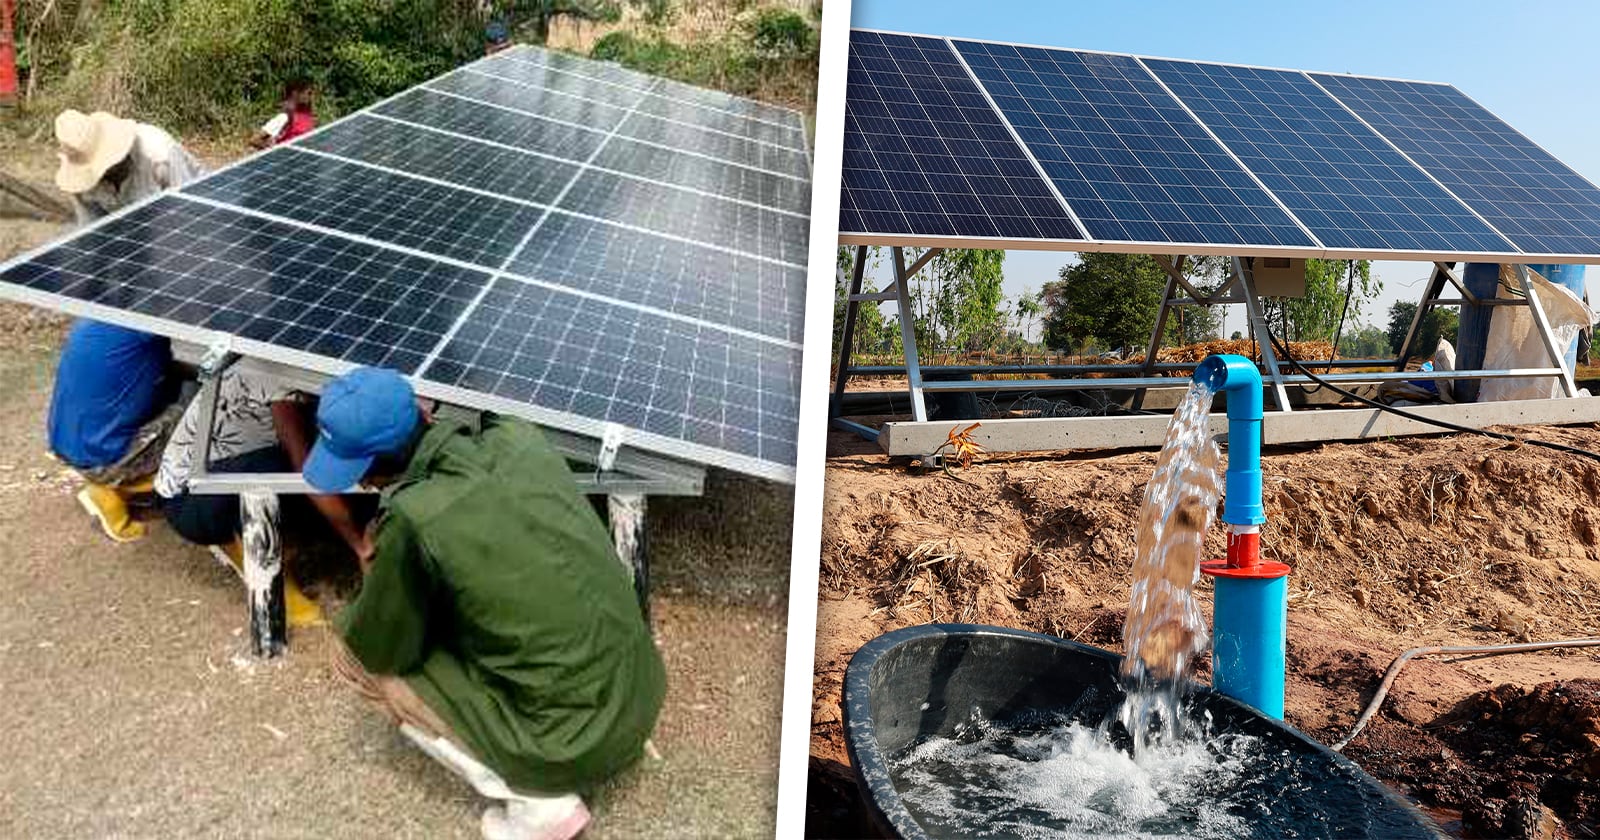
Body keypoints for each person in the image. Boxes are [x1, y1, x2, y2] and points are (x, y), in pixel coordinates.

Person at [308, 367, 664, 840]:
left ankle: (541, 806)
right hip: (640, 697)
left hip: (575, 743)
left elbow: (380, 647)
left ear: (371, 470)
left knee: (354, 656)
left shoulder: (414, 518)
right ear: (422, 409)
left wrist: (377, 565)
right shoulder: (518, 437)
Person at [48, 109, 206, 539]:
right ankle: (143, 479)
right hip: (138, 274)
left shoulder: (158, 153)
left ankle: (116, 461)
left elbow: (194, 225)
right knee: (206, 397)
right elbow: (97, 242)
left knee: (146, 371)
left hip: (186, 241)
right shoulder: (84, 184)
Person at [154, 366, 372, 627]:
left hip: (221, 473)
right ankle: (270, 593)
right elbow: (308, 472)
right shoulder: (276, 373)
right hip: (187, 499)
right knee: (271, 472)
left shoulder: (302, 361)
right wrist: (358, 544)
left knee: (310, 464)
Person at [47, 321, 183, 542]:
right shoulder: (151, 328)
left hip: (67, 441)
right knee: (198, 408)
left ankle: (113, 482)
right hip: (105, 460)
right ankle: (115, 490)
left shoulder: (98, 314)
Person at [54, 109, 204, 224]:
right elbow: (92, 231)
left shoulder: (158, 154)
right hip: (137, 233)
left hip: (189, 216)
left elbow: (189, 211)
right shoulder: (81, 187)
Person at [251, 77, 316, 149]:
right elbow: (255, 139)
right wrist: (274, 150)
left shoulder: (307, 115)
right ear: (295, 93)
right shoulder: (284, 117)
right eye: (309, 93)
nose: (311, 97)